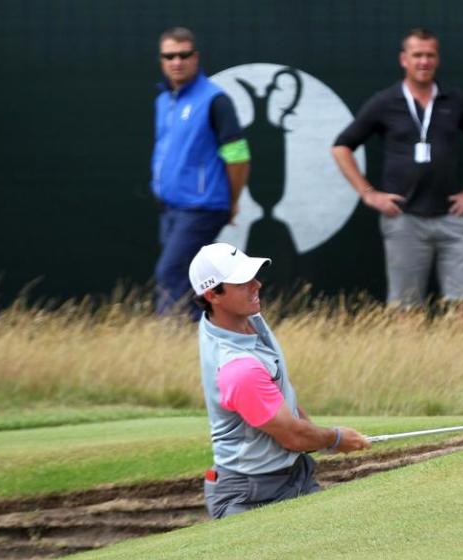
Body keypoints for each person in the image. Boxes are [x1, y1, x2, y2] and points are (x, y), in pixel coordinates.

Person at [190, 242, 370, 519]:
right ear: (213, 294)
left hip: (294, 475)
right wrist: (335, 438)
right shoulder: (238, 368)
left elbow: (282, 397)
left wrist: (311, 431)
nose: (257, 285)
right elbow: (292, 436)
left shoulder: (245, 318)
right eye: (242, 282)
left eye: (253, 276)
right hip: (249, 496)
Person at [332, 27, 463, 307]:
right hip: (404, 217)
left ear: (437, 59)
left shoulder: (454, 100)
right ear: (404, 59)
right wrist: (368, 193)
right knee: (406, 307)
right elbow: (341, 147)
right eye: (417, 55)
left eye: (430, 55)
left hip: (450, 217)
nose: (424, 61)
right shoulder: (385, 102)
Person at [152, 27, 251, 318]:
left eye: (184, 55)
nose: (177, 62)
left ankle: (171, 342)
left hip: (203, 206)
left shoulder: (214, 100)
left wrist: (231, 200)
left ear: (196, 57)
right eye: (169, 56)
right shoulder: (163, 100)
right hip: (170, 207)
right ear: (162, 60)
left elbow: (239, 156)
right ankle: (203, 339)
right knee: (193, 278)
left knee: (170, 271)